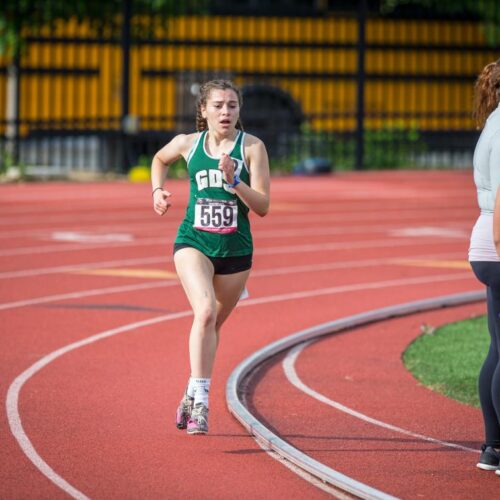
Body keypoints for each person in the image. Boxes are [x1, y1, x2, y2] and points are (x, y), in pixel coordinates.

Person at [150, 79, 270, 435]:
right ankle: (202, 401)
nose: (225, 112)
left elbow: (262, 206)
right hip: (194, 242)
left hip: (235, 251)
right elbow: (159, 158)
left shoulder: (252, 148)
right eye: (218, 105)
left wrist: (235, 182)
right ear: (203, 111)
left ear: (239, 111)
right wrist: (157, 190)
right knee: (203, 312)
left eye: (232, 105)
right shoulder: (189, 144)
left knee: (211, 326)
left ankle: (189, 390)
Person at [469, 58, 500, 472]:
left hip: (488, 243)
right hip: (496, 242)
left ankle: (492, 448)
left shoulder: (494, 119)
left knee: (497, 349)